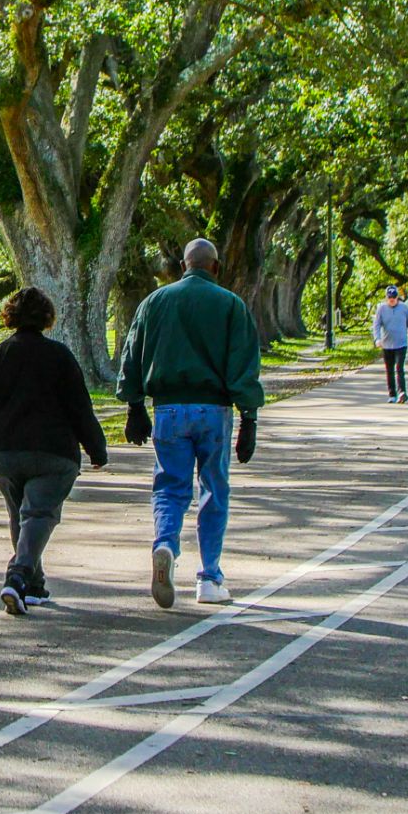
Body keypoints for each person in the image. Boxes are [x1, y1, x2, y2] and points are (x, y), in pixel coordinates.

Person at [0, 287, 108, 616]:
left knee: (21, 515)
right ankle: (18, 577)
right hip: (53, 453)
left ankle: (34, 586)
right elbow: (80, 408)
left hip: (2, 453)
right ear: (47, 317)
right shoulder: (60, 356)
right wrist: (96, 449)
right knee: (38, 515)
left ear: (10, 316)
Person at [117, 238, 264, 608]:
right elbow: (244, 365)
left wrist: (135, 406)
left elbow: (131, 356)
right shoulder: (231, 304)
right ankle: (210, 578)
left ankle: (165, 544)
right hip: (214, 410)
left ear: (184, 266)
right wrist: (249, 418)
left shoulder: (154, 302)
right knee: (214, 489)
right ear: (215, 267)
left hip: (168, 410)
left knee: (169, 487)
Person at [373, 285, 408, 404]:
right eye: (389, 298)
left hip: (401, 344)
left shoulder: (404, 308)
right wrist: (377, 339)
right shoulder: (381, 309)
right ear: (386, 298)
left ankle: (402, 392)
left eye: (394, 297)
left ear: (397, 297)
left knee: (399, 368)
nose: (392, 300)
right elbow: (376, 325)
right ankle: (392, 394)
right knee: (389, 370)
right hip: (387, 344)